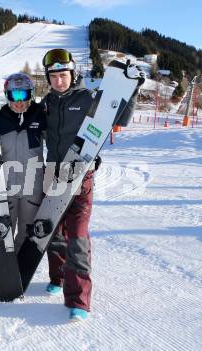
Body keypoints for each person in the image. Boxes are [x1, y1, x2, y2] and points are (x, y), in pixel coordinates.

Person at [41, 48, 137, 321]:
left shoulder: (87, 98)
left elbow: (120, 118)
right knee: (54, 234)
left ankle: (78, 300)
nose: (59, 80)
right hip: (53, 175)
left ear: (72, 74)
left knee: (78, 237)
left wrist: (131, 91)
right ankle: (57, 278)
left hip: (81, 176)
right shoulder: (46, 103)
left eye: (63, 75)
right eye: (54, 76)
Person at [0, 73, 46, 251]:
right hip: (7, 187)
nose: (19, 101)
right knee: (3, 231)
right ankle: (5, 268)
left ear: (30, 95)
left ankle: (19, 269)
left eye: (23, 95)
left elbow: (59, 137)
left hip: (32, 187)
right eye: (14, 95)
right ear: (7, 96)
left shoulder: (40, 116)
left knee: (27, 232)